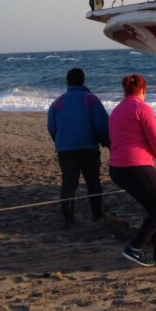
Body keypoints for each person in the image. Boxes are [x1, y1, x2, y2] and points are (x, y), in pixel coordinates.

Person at [108, 74, 156, 267]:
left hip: (117, 168)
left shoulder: (117, 110)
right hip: (135, 166)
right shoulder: (142, 108)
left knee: (154, 207)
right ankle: (135, 247)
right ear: (144, 89)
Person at [47, 68, 110, 227]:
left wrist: (59, 142)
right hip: (87, 147)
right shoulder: (91, 99)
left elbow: (51, 127)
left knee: (69, 184)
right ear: (83, 81)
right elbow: (102, 125)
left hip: (65, 149)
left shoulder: (57, 102)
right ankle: (96, 214)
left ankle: (69, 219)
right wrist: (107, 142)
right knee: (93, 182)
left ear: (67, 82)